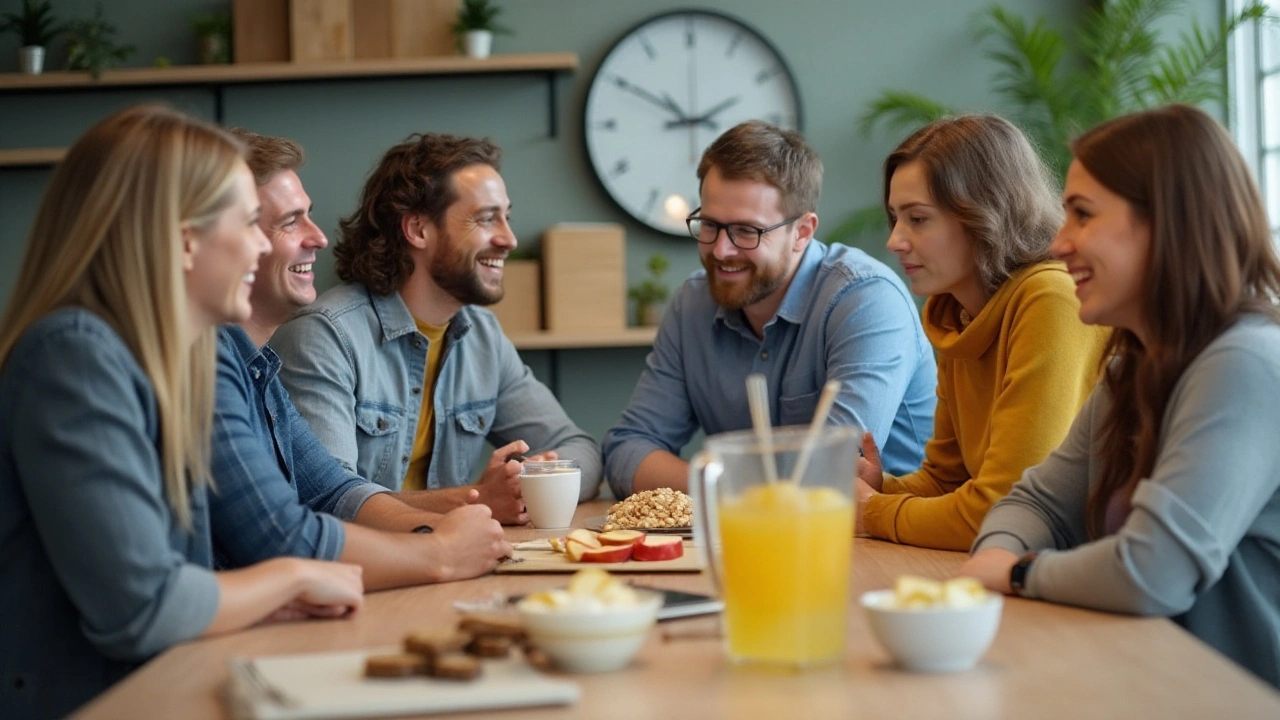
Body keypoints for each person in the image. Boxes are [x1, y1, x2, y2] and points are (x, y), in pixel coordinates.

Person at [0, 105, 364, 720]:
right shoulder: (76, 357)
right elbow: (144, 609)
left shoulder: (155, 361)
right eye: (250, 222)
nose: (259, 245)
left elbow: (169, 582)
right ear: (185, 238)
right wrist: (291, 578)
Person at [958, 104, 1280, 689]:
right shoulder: (1136, 363)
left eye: (1082, 214)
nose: (1059, 244)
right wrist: (991, 561)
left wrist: (1017, 572)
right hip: (1143, 677)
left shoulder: (1246, 363)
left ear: (1170, 223)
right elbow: (1036, 504)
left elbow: (1152, 572)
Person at [209, 128, 510, 588]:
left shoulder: (256, 364)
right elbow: (280, 535)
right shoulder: (210, 361)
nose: (318, 238)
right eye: (289, 222)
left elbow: (334, 491)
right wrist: (441, 550)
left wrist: (439, 534)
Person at [270, 132, 601, 524]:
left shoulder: (482, 336)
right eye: (485, 218)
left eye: (506, 217)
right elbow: (327, 500)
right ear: (418, 230)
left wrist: (528, 482)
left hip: (458, 563)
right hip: (367, 575)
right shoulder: (325, 335)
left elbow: (581, 450)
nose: (509, 239)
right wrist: (477, 500)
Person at [603, 120, 936, 498]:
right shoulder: (692, 305)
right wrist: (732, 487)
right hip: (760, 538)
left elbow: (833, 473)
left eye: (747, 231)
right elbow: (626, 450)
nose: (721, 251)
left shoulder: (866, 299)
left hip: (890, 543)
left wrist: (721, 482)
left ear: (803, 232)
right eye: (710, 225)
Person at [854, 115, 1109, 551]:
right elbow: (946, 479)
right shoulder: (957, 314)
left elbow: (1005, 509)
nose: (895, 240)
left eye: (918, 219)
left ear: (984, 215)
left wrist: (872, 511)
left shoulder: (1050, 298)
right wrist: (879, 491)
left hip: (1073, 573)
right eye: (895, 218)